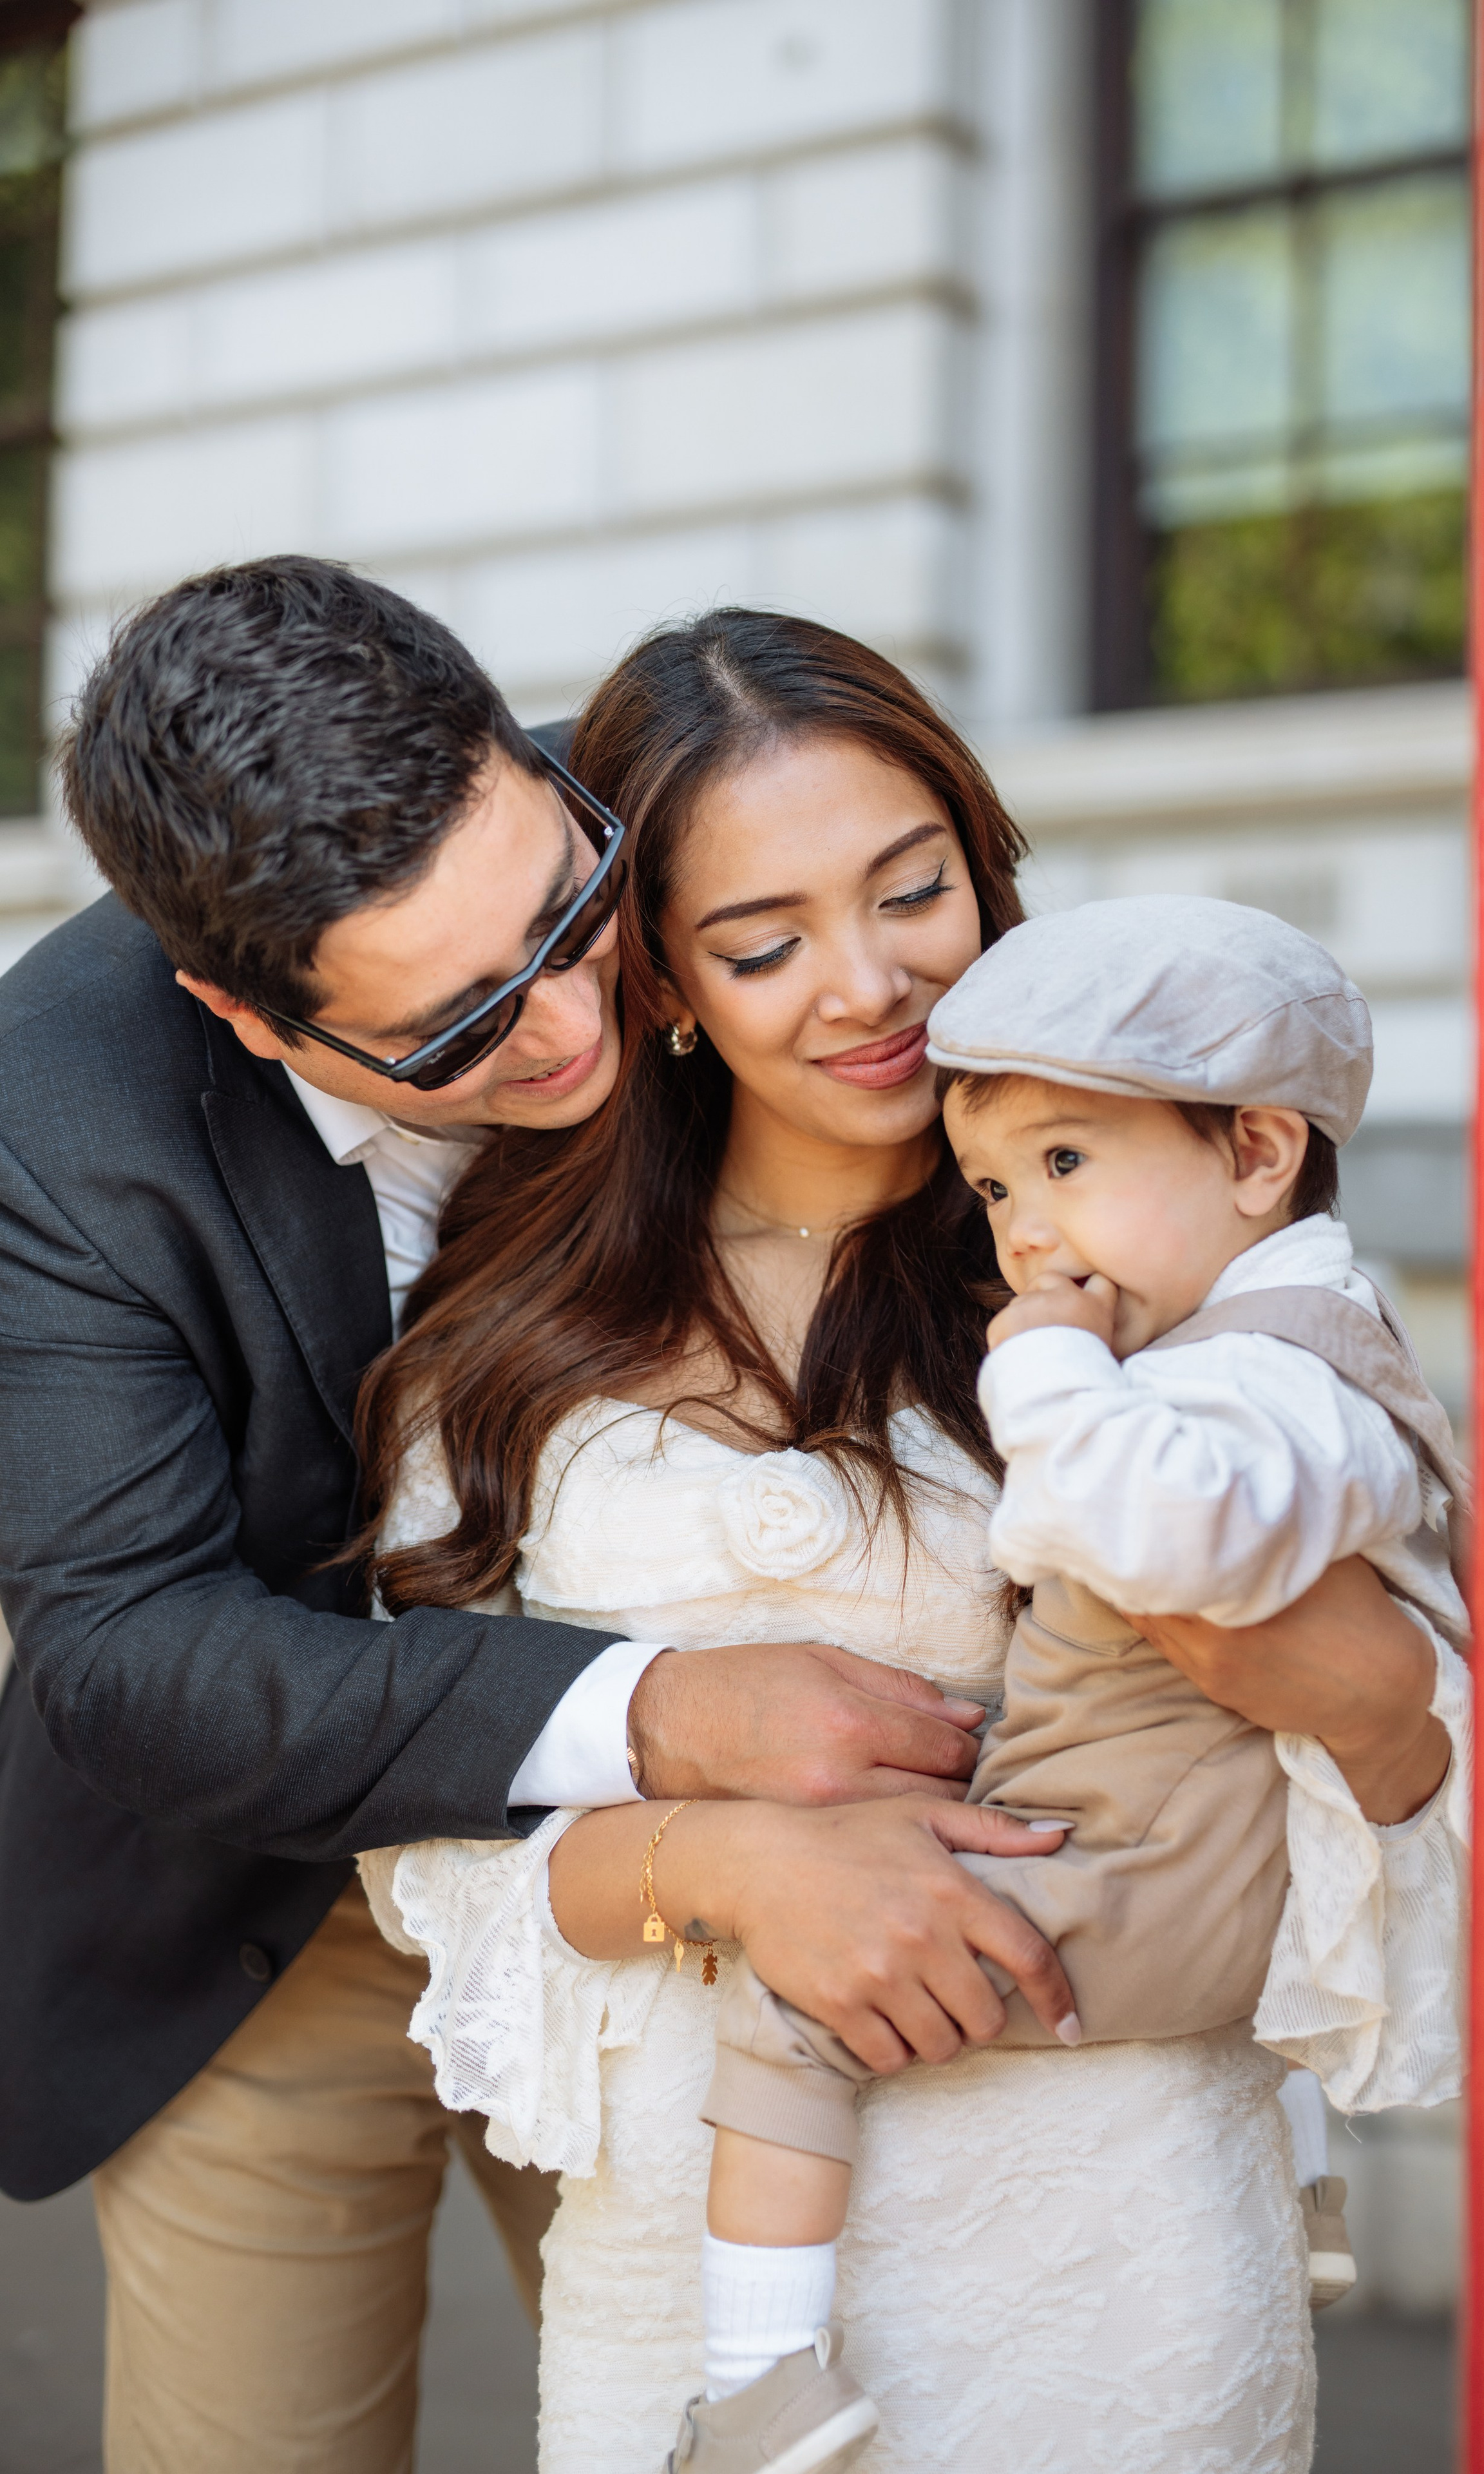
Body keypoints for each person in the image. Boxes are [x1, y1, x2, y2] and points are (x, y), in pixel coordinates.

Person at [356, 609, 1462, 2473]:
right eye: (764, 943)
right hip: (698, 2320)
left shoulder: (1168, 1260)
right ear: (668, 987)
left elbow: (1424, 1733)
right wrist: (714, 1864)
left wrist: (1355, 1691)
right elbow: (416, 1842)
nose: (869, 988)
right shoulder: (508, 1339)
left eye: (914, 891)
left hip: (1129, 2261)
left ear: (987, 864)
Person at [0, 559, 1023, 2474]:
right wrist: (659, 1709)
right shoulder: (53, 1122)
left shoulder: (709, 845)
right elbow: (128, 1655)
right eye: (459, 1027)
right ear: (242, 1011)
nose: (575, 1020)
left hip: (710, 1948)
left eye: (567, 911)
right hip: (260, 1931)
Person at [686, 896, 1471, 2466]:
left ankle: (756, 2381)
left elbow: (1169, 1540)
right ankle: (1305, 2193)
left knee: (799, 2008)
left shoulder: (1271, 1370)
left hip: (1148, 1872)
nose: (1023, 1234)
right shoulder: (1253, 1337)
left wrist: (1040, 1365)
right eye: (990, 1187)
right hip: (1202, 1853)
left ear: (1255, 1155)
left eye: (1064, 1164)